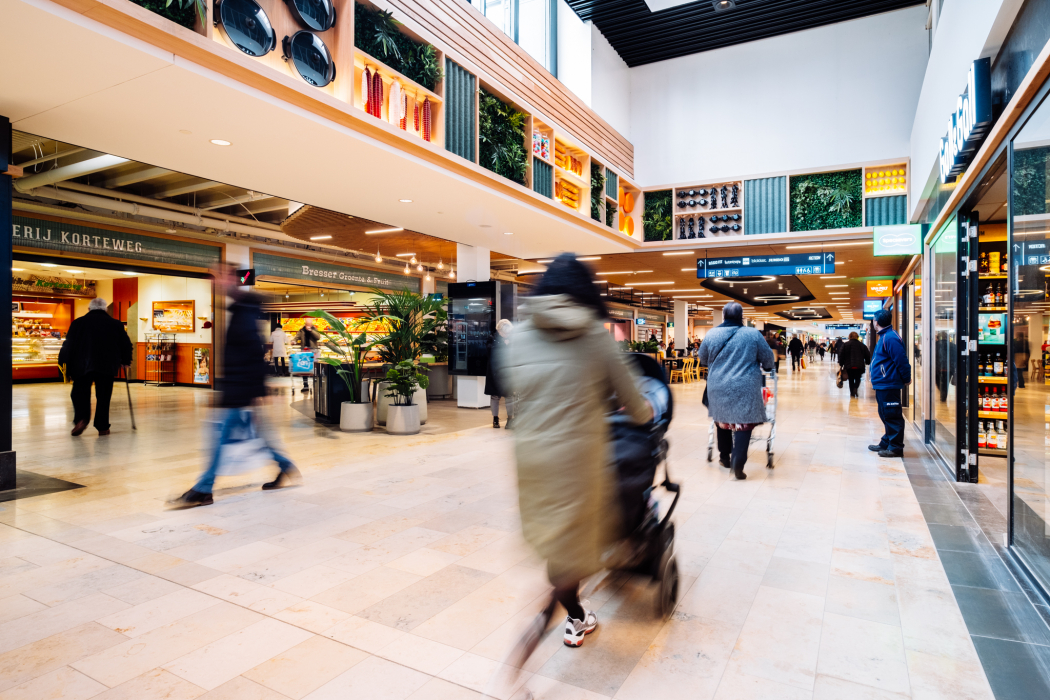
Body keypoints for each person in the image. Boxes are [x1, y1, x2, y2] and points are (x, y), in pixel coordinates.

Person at [505, 253, 652, 649]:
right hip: (578, 462)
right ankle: (540, 638)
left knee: (558, 544)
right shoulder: (596, 339)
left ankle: (574, 609)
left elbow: (515, 385)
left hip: (531, 459)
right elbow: (636, 406)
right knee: (570, 557)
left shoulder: (517, 336)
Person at [171, 266, 301, 508]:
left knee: (220, 438)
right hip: (238, 388)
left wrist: (257, 391)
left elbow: (253, 351)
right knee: (258, 435)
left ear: (233, 280)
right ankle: (284, 466)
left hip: (240, 390)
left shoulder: (244, 312)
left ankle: (203, 488)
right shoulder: (240, 309)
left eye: (220, 278)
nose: (217, 284)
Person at [699, 302, 775, 480]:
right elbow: (768, 360)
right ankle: (738, 463)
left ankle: (725, 458)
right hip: (745, 385)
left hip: (717, 384)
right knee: (744, 423)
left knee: (722, 420)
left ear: (724, 316)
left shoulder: (712, 333)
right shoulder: (753, 334)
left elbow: (702, 358)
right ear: (742, 316)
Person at [58, 297, 133, 436]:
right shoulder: (115, 324)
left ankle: (82, 419)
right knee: (104, 396)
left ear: (89, 309)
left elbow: (68, 345)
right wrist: (125, 360)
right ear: (105, 309)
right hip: (107, 365)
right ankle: (102, 426)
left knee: (79, 393)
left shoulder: (78, 323)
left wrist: (63, 364)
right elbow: (126, 344)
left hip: (81, 365)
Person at [869, 309, 911, 458]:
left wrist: (907, 378)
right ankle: (887, 441)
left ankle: (895, 447)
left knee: (892, 415)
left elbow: (901, 360)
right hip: (883, 384)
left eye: (873, 320)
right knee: (885, 413)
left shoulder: (890, 338)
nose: (873, 322)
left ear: (877, 322)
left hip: (889, 383)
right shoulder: (885, 336)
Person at [486, 319, 514, 429]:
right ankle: (495, 419)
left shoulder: (512, 339)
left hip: (508, 372)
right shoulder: (492, 338)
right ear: (499, 330)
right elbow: (490, 353)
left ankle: (510, 419)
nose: (506, 335)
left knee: (510, 396)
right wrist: (503, 345)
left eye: (508, 333)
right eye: (504, 333)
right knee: (495, 396)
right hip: (495, 371)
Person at [839, 331, 871, 398]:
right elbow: (868, 355)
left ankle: (852, 393)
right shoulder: (862, 345)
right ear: (857, 337)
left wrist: (841, 364)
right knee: (858, 378)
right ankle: (855, 388)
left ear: (849, 336)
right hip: (859, 366)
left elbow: (841, 355)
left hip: (849, 365)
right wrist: (868, 362)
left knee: (850, 379)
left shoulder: (845, 345)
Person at [296, 318, 321, 392]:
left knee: (314, 369)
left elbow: (318, 337)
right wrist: (293, 341)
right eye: (307, 324)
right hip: (304, 351)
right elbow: (297, 337)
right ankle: (305, 385)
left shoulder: (315, 329)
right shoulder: (302, 330)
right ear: (305, 324)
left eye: (310, 324)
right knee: (304, 369)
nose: (308, 325)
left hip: (313, 351)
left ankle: (315, 384)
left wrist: (311, 331)